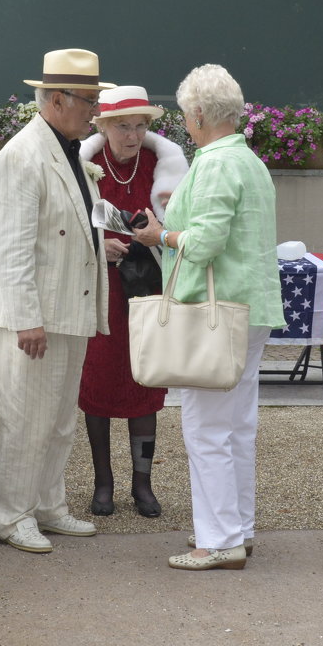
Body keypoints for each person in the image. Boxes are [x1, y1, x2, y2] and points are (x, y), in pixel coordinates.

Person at [132, 63, 284, 570]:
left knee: (207, 428)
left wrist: (163, 235)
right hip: (249, 307)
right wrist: (180, 214)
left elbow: (205, 242)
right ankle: (237, 530)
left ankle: (219, 541)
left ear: (198, 113)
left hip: (216, 311)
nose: (183, 123)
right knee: (236, 425)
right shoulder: (246, 160)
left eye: (184, 114)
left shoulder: (216, 162)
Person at [0, 48, 113, 553]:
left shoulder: (69, 151)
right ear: (56, 100)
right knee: (22, 422)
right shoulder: (22, 156)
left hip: (64, 309)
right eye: (88, 101)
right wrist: (26, 320)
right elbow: (9, 250)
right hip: (31, 318)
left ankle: (49, 506)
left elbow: (67, 229)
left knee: (57, 421)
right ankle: (12, 516)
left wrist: (106, 245)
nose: (94, 111)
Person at [78, 85, 189, 518]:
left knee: (146, 383)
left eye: (141, 126)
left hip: (147, 291)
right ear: (102, 126)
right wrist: (97, 247)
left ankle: (142, 484)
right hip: (101, 292)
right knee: (99, 385)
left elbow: (180, 224)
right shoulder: (84, 166)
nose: (133, 135)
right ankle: (103, 484)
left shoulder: (160, 167)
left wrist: (157, 231)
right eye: (123, 126)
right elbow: (64, 227)